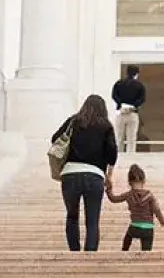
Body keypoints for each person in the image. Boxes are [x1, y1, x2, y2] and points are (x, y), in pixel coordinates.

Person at [51, 95, 119, 252]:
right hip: (94, 176)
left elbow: (55, 138)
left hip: (70, 174)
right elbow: (112, 154)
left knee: (72, 216)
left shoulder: (73, 121)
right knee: (92, 220)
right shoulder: (105, 126)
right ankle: (90, 255)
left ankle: (74, 252)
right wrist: (109, 175)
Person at [106, 164, 164, 251]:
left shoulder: (128, 195)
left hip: (134, 227)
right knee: (147, 247)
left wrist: (109, 189)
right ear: (144, 180)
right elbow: (156, 209)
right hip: (148, 228)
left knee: (127, 239)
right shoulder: (149, 195)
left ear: (129, 182)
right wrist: (162, 221)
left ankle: (124, 251)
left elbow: (114, 199)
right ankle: (146, 255)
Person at [112, 65, 146, 153]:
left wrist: (121, 104)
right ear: (136, 74)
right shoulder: (139, 85)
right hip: (132, 113)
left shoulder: (119, 83)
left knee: (119, 138)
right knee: (131, 139)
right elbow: (142, 99)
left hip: (120, 112)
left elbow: (114, 95)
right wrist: (133, 105)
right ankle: (130, 158)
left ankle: (118, 157)